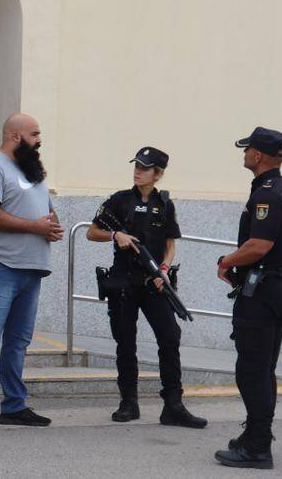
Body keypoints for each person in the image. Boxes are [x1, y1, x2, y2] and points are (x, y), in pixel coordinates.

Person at [87, 146, 207, 428]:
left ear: (158, 174)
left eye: (145, 167)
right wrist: (115, 235)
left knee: (170, 336)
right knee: (125, 343)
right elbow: (93, 232)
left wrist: (163, 270)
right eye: (137, 166)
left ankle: (173, 405)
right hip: (124, 282)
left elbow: (169, 245)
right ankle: (129, 402)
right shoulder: (119, 200)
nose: (138, 171)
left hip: (153, 283)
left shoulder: (165, 204)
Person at [0, 113, 62, 434]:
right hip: (0, 266)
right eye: (34, 133)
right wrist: (35, 226)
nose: (40, 140)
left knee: (18, 342)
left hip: (32, 268)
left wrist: (51, 226)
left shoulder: (32, 170)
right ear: (15, 136)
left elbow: (46, 209)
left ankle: (14, 407)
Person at [213, 127, 282, 470]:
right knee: (264, 368)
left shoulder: (266, 194)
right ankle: (254, 435)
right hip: (281, 286)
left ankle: (258, 446)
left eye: (248, 148)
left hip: (263, 290)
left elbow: (259, 246)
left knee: (251, 370)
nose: (244, 153)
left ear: (259, 156)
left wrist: (227, 262)